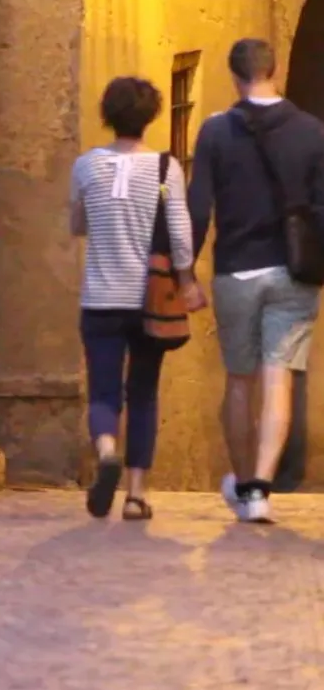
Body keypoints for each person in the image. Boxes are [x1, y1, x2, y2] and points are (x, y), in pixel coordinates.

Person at [188, 38, 324, 523]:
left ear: (234, 76)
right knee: (279, 378)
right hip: (293, 274)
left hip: (236, 271)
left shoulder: (215, 132)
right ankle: (262, 489)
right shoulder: (312, 132)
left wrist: (185, 273)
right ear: (276, 69)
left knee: (240, 381)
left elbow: (198, 207)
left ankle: (244, 484)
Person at [70, 76, 205, 520]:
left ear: (108, 115)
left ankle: (107, 447)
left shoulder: (86, 167)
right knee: (144, 392)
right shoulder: (167, 170)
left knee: (104, 391)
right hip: (149, 299)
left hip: (101, 298)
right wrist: (186, 280)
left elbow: (77, 223)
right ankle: (135, 495)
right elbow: (181, 235)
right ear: (150, 117)